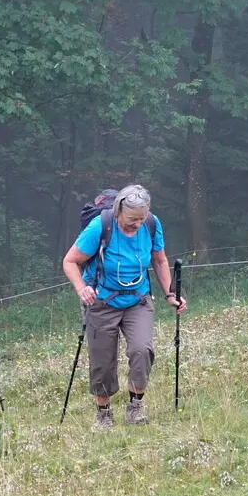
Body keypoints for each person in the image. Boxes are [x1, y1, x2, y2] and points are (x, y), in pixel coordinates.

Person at [61, 184, 187, 429]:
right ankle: (104, 413)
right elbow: (70, 261)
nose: (137, 224)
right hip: (101, 300)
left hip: (138, 299)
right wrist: (81, 288)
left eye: (141, 218)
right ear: (118, 211)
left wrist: (171, 293)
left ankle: (135, 406)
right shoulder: (100, 226)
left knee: (142, 350)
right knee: (102, 359)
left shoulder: (151, 224)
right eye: (132, 219)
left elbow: (159, 260)